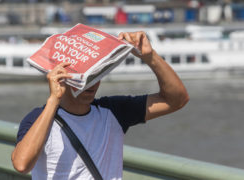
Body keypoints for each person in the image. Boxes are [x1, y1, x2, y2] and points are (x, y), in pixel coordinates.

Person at [11, 31, 189, 180]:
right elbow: (21, 164)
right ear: (62, 76)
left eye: (97, 75)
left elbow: (176, 100)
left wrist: (150, 57)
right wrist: (53, 100)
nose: (93, 84)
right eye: (84, 76)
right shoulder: (39, 118)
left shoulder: (112, 112)